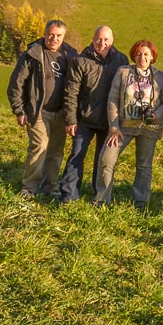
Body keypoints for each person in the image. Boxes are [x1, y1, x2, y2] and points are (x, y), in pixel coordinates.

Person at [97, 39, 163, 208]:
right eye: (138, 54)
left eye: (146, 54)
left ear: (153, 56)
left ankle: (141, 202)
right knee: (106, 159)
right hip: (123, 127)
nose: (142, 57)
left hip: (149, 127)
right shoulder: (123, 72)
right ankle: (102, 199)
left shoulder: (159, 76)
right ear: (133, 55)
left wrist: (155, 114)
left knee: (144, 166)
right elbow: (113, 99)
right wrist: (114, 126)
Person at [7, 19, 76, 199]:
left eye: (58, 36)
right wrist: (19, 110)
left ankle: (49, 187)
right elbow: (17, 83)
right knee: (39, 146)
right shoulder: (33, 54)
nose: (54, 39)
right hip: (37, 110)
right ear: (45, 34)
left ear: (64, 37)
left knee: (56, 151)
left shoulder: (71, 55)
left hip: (61, 113)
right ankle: (29, 187)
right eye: (51, 34)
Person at [59, 25, 129, 203]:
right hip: (85, 119)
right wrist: (70, 119)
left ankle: (98, 195)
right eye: (98, 39)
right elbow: (71, 92)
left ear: (112, 40)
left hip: (109, 122)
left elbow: (125, 91)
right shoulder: (81, 60)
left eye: (106, 39)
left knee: (103, 159)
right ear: (93, 39)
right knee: (77, 155)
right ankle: (69, 195)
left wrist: (121, 121)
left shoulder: (121, 60)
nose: (102, 43)